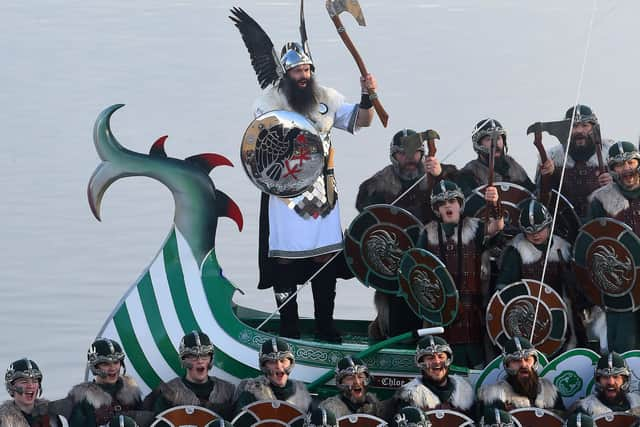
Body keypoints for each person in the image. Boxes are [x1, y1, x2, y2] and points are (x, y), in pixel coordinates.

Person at [232, 7, 378, 341]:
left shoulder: (326, 97)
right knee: (284, 259)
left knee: (325, 257)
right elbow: (259, 143)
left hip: (322, 191)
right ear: (286, 72)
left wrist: (368, 95)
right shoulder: (268, 102)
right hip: (285, 193)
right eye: (297, 70)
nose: (303, 75)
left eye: (307, 68)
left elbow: (362, 121)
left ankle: (325, 326)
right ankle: (289, 326)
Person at [356, 129, 457, 339]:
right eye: (403, 153)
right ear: (394, 155)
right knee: (397, 310)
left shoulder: (438, 174)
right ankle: (395, 342)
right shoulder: (378, 184)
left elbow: (462, 193)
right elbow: (365, 213)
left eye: (415, 153)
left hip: (434, 256)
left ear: (422, 153)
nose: (410, 158)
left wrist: (440, 175)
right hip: (395, 263)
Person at [418, 180, 504, 367]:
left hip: (471, 309)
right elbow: (417, 270)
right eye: (442, 203)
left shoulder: (476, 228)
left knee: (475, 358)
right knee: (440, 358)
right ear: (436, 209)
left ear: (460, 204)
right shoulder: (427, 233)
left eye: (452, 201)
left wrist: (495, 203)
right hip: (439, 311)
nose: (448, 205)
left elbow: (497, 226)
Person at [589, 141, 640, 353]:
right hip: (621, 285)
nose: (626, 168)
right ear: (612, 169)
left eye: (630, 162)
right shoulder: (601, 200)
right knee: (624, 347)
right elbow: (594, 245)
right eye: (619, 164)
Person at [143, 331, 235, 421]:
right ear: (183, 360)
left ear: (211, 359)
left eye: (204, 355)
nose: (200, 361)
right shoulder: (169, 392)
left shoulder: (227, 390)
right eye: (193, 356)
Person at [540, 104, 612, 219]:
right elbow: (541, 199)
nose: (579, 130)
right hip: (565, 225)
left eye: (584, 125)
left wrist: (614, 181)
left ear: (593, 128)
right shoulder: (553, 158)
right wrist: (548, 176)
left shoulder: (611, 155)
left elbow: (629, 190)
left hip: (603, 223)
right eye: (574, 126)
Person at [67, 338, 148, 426]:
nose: (112, 368)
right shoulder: (82, 399)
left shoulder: (132, 393)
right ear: (95, 366)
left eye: (116, 362)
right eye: (105, 364)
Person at [478, 336, 564, 413]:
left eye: (527, 359)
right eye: (516, 361)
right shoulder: (494, 396)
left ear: (534, 361)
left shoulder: (550, 392)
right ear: (507, 365)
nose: (523, 365)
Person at [393, 336, 474, 416]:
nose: (437, 362)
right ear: (421, 363)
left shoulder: (464, 392)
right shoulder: (412, 395)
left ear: (448, 360)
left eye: (441, 357)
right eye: (430, 358)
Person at [456, 119, 535, 196]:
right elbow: (468, 203)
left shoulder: (513, 166)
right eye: (489, 139)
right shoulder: (470, 172)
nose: (495, 143)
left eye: (498, 138)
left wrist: (545, 175)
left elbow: (532, 193)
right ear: (478, 145)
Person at [233, 338, 311, 414]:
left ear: (290, 363)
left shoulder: (301, 394)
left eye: (283, 361)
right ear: (264, 366)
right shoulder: (251, 393)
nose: (279, 366)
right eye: (272, 362)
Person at [572, 352, 640, 417]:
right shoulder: (585, 407)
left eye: (616, 377)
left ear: (625, 380)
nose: (611, 382)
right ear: (598, 380)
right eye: (605, 377)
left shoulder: (637, 402)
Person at [0, 358, 63, 426]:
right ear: (11, 387)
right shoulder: (2, 419)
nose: (30, 386)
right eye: (24, 382)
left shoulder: (50, 415)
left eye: (35, 381)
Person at [319, 356, 384, 419]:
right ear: (340, 383)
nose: (357, 382)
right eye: (350, 378)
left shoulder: (373, 401)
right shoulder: (332, 409)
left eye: (360, 377)